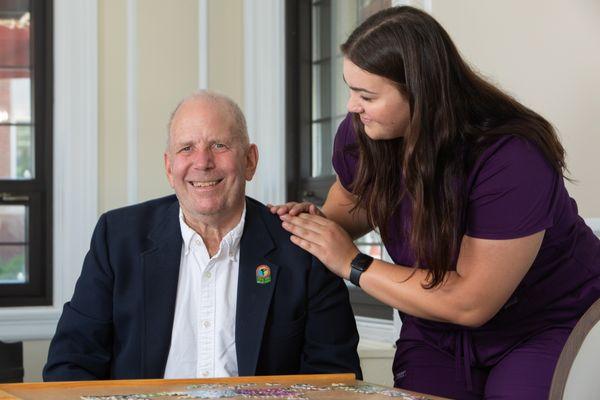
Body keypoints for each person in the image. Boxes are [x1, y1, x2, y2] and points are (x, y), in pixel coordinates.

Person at [270, 6, 600, 400]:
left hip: (541, 321)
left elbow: (471, 303)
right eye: (350, 88)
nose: (351, 106)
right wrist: (313, 226)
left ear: (420, 92)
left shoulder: (512, 157)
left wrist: (353, 263)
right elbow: (348, 210)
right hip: (435, 328)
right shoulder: (363, 134)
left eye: (367, 95)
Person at [44, 91, 361, 381]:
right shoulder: (118, 239)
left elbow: (334, 376)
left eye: (219, 145)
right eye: (186, 148)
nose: (203, 162)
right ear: (170, 168)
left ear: (250, 161)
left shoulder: (302, 249)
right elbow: (71, 363)